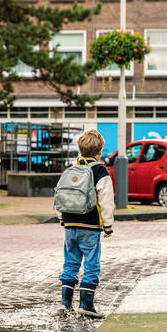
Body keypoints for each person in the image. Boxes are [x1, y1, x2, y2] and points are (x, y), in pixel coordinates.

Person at [57, 129, 114, 318]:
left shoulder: (71, 168)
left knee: (70, 263)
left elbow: (60, 193)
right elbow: (105, 199)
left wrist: (62, 218)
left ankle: (65, 304)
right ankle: (86, 305)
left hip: (70, 224)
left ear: (80, 149)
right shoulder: (99, 169)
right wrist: (108, 225)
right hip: (90, 226)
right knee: (91, 265)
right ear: (99, 151)